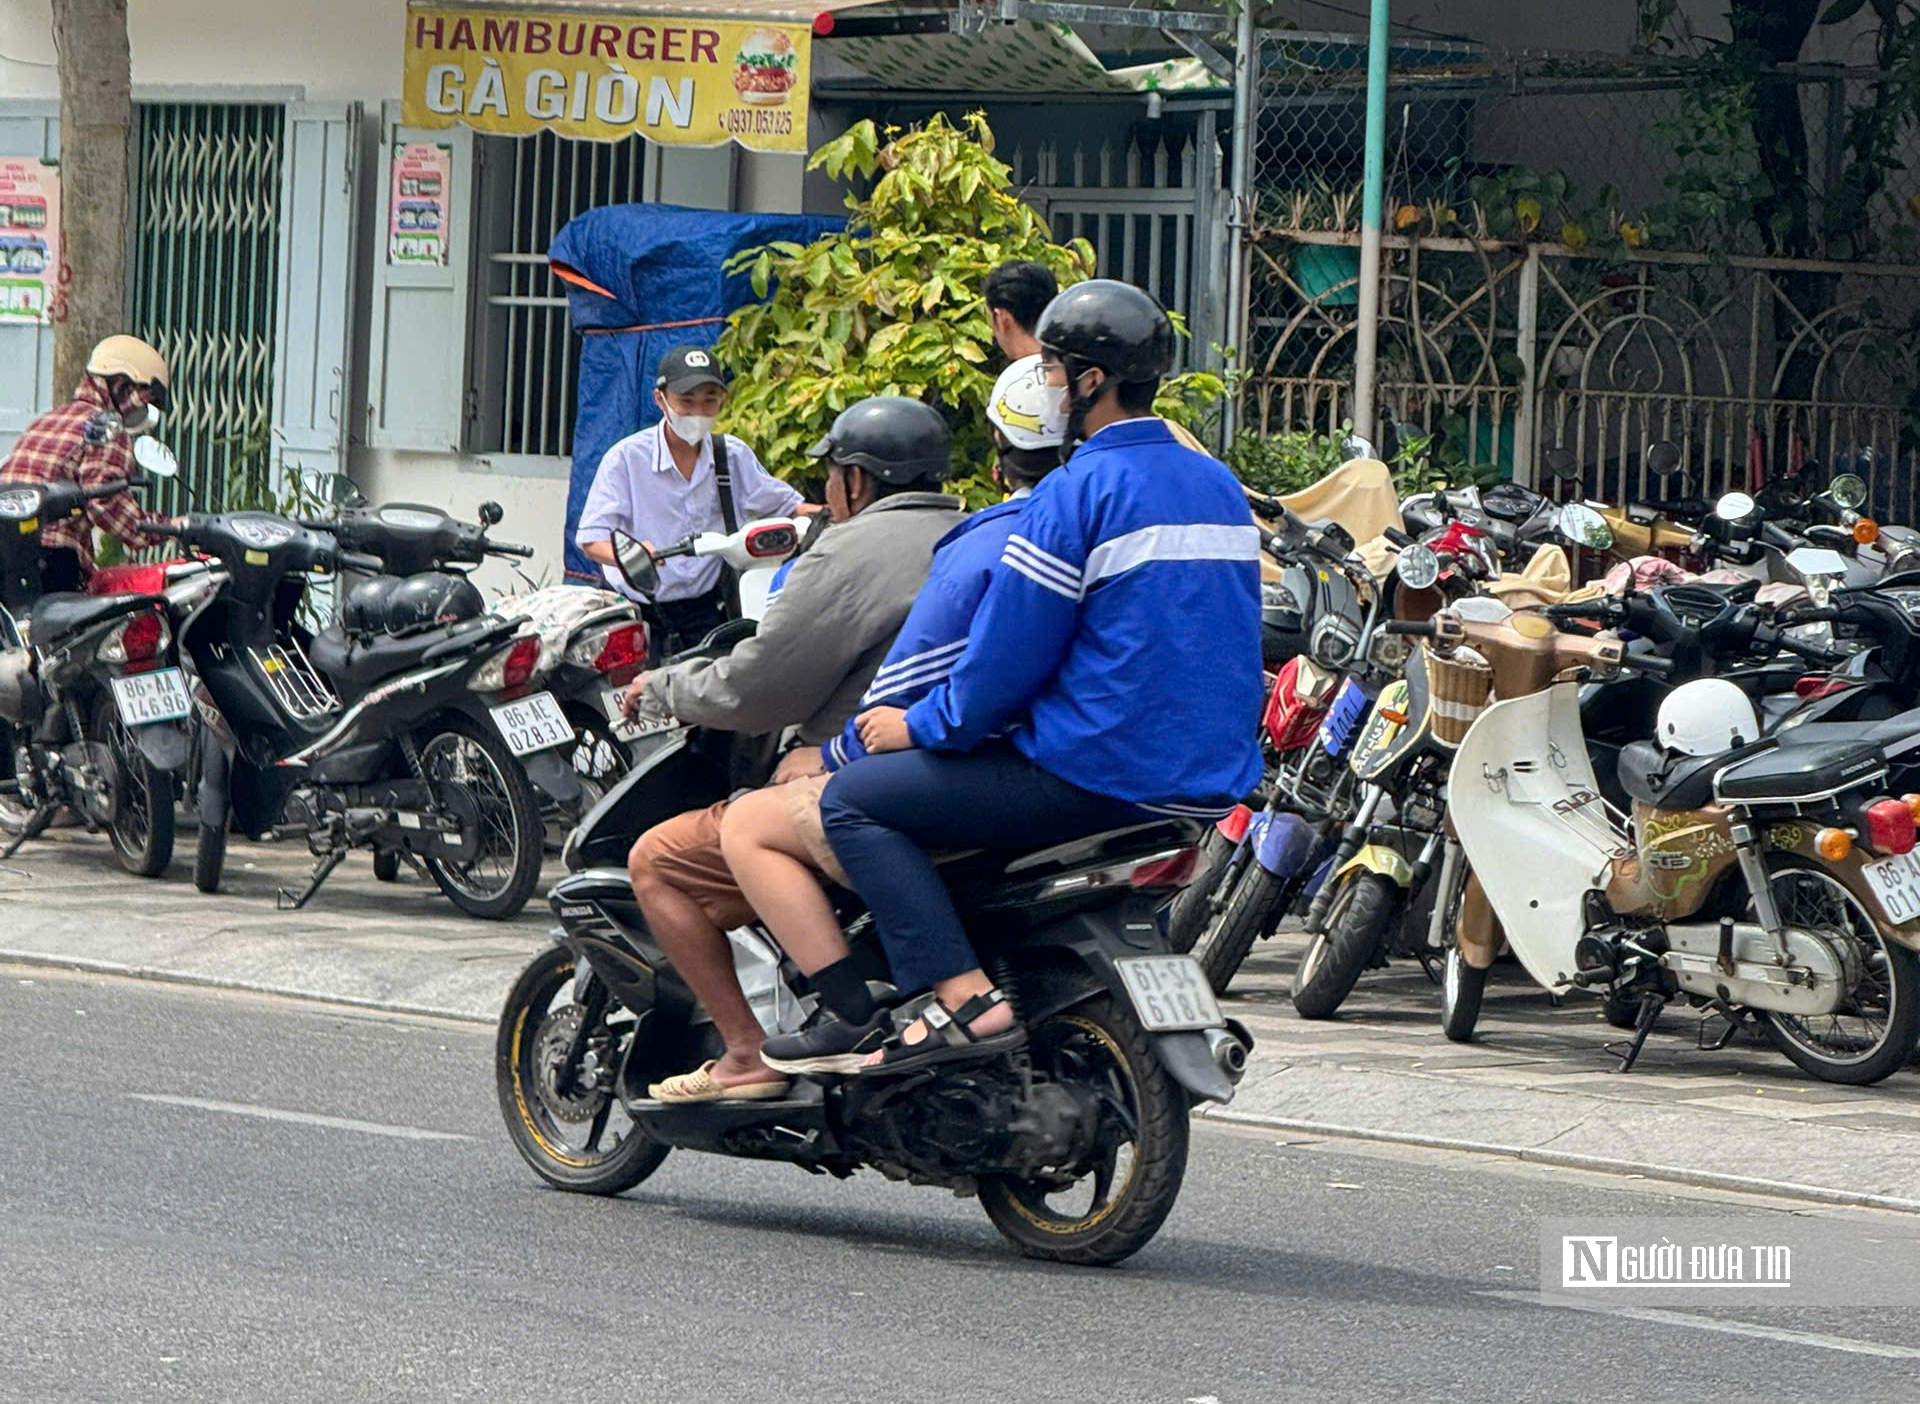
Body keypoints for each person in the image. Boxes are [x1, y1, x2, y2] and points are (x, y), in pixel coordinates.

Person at [810, 280, 1265, 1075]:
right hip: (1206, 785)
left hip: (1094, 774)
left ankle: (957, 998)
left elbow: (1006, 659)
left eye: (1054, 372)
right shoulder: (1217, 485)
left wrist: (918, 726)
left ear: (1093, 380)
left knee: (853, 802)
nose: (1048, 388)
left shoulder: (1074, 491)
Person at [716, 356, 1069, 1073]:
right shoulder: (1068, 524)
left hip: (1004, 763)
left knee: (816, 809)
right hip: (1090, 765)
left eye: (831, 473)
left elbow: (926, 685)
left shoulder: (979, 542)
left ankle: (868, 1008)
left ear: (858, 479)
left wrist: (842, 751)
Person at [620, 397, 967, 1103]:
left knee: (657, 860)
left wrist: (663, 687)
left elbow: (759, 689)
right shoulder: (972, 534)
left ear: (859, 481)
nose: (829, 490)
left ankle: (753, 1051)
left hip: (857, 780)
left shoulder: (848, 552)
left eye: (834, 474)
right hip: (957, 776)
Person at [575, 344, 820, 657]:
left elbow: (788, 505)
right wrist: (633, 556)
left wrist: (844, 515)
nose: (698, 413)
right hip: (638, 612)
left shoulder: (731, 455)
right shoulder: (625, 459)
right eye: (686, 401)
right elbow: (591, 541)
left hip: (706, 609)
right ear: (660, 399)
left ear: (722, 402)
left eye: (709, 402)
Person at [0, 335, 174, 591]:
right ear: (122, 386)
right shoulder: (108, 428)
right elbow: (106, 503)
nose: (137, 414)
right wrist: (170, 528)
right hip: (49, 561)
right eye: (142, 401)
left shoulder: (48, 419)